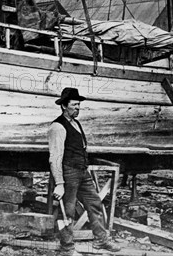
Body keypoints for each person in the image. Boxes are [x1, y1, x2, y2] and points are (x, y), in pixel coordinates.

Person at [48, 87, 121, 256]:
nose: (78, 108)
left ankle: (101, 241)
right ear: (64, 106)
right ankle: (67, 248)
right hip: (68, 173)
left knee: (94, 203)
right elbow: (55, 157)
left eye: (79, 105)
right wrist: (59, 183)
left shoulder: (76, 123)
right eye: (74, 105)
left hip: (82, 172)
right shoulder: (57, 127)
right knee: (68, 210)